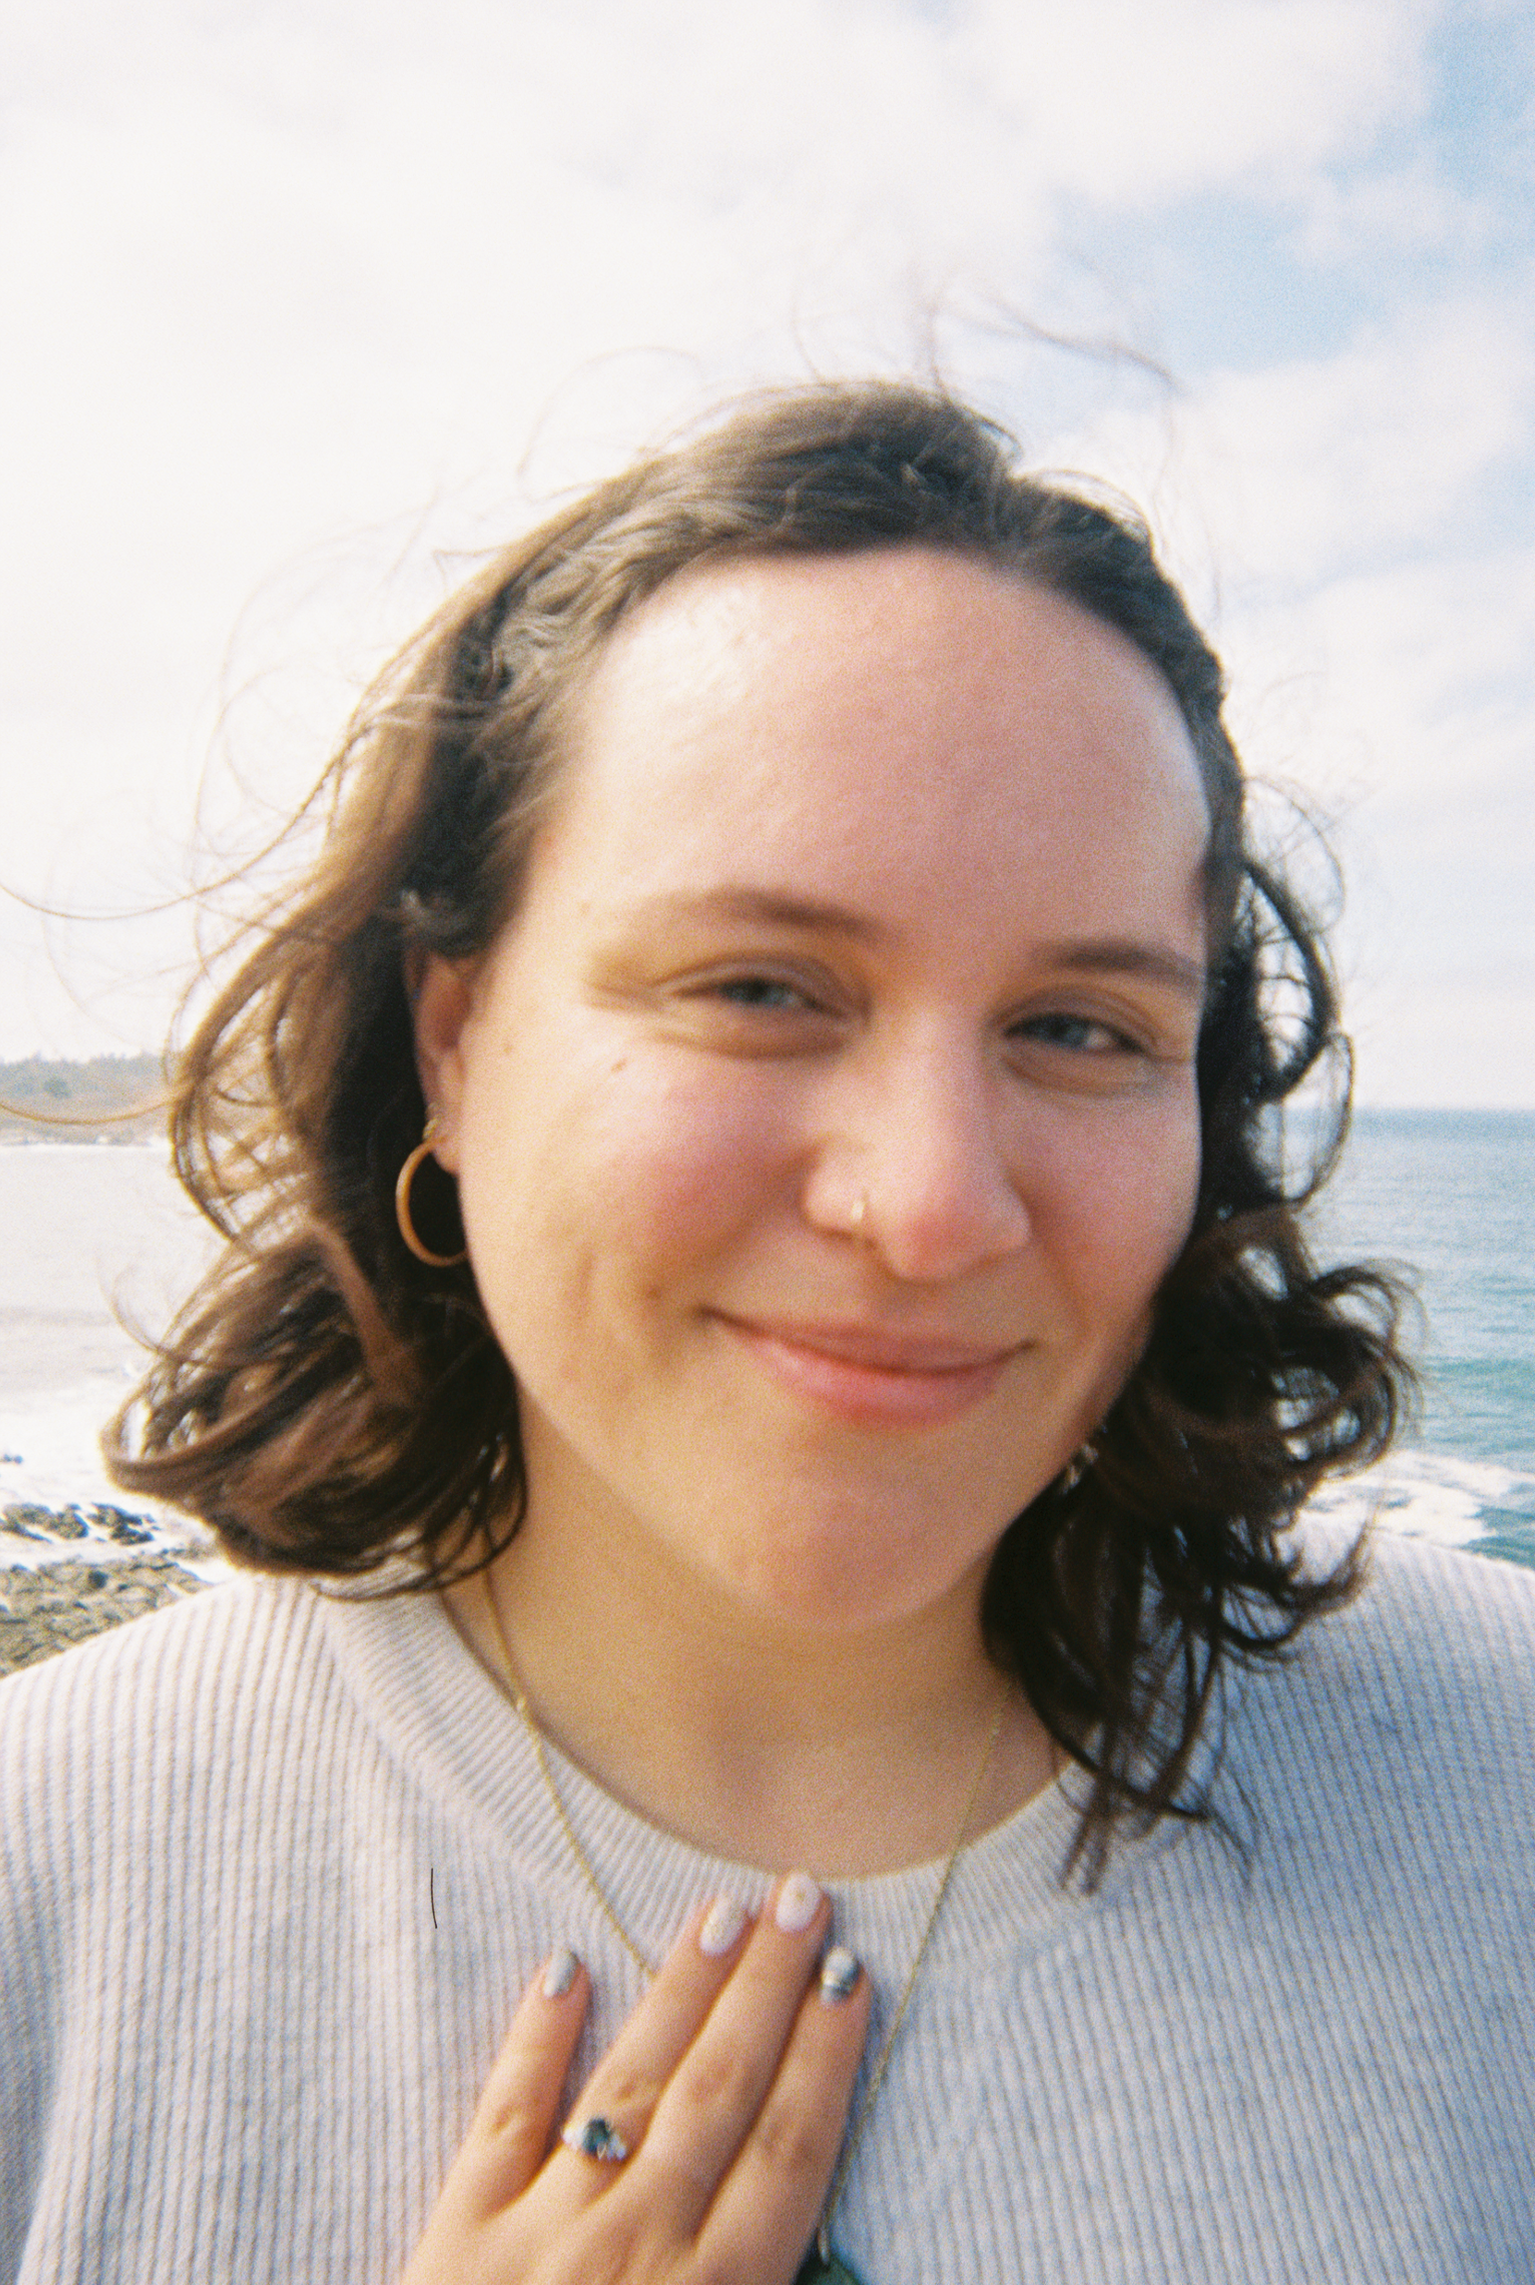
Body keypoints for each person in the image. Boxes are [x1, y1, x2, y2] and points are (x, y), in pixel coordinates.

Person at [2, 381, 1532, 2285]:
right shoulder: (42, 1890)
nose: (934, 1204)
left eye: (1080, 1027)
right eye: (758, 986)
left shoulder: (1501, 1782)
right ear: (454, 1044)